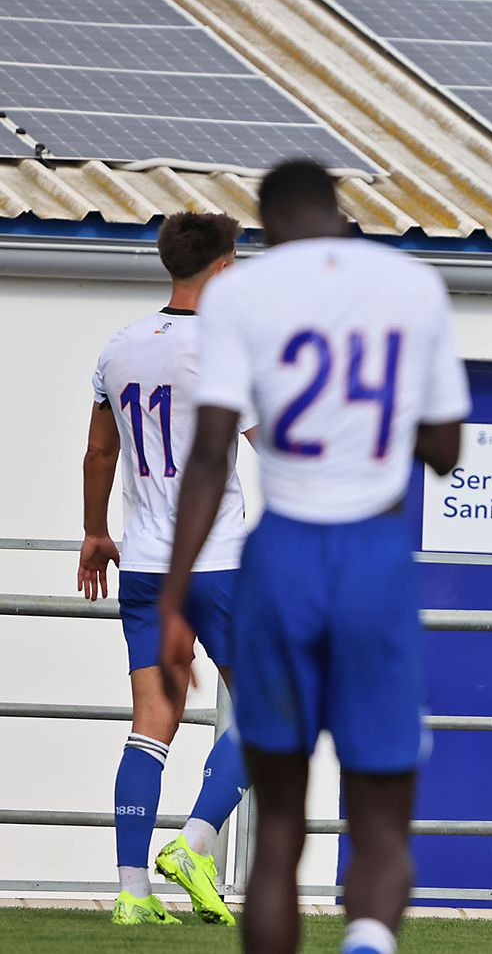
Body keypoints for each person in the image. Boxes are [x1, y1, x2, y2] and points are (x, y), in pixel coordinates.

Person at [156, 161, 471, 954]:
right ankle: (366, 936)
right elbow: (445, 449)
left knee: (278, 832)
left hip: (283, 553)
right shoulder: (411, 286)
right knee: (381, 821)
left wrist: (173, 597)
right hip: (373, 550)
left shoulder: (240, 295)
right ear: (338, 212)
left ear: (265, 228)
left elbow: (211, 452)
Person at [79, 211, 255, 927]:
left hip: (146, 564)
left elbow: (100, 452)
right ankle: (195, 842)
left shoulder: (119, 347)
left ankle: (131, 892)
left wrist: (95, 531)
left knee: (151, 723)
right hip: (217, 563)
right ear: (222, 266)